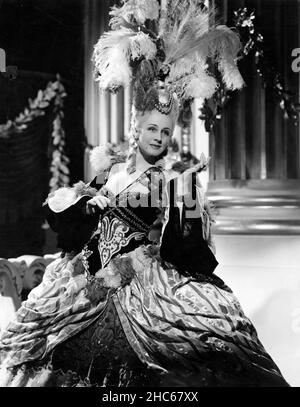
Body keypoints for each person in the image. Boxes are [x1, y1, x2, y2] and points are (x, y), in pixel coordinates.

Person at [0, 0, 289, 387]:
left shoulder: (173, 180)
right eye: (153, 129)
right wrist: (88, 205)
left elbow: (188, 251)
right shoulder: (109, 173)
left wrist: (184, 199)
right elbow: (65, 219)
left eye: (166, 132)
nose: (159, 137)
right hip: (87, 277)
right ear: (138, 129)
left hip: (149, 283)